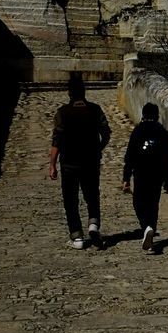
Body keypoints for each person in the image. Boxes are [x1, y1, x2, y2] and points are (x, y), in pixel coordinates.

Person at [48, 75, 111, 249]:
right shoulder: (95, 110)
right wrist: (98, 148)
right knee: (92, 194)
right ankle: (93, 224)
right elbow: (106, 133)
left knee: (70, 199)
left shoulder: (62, 113)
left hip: (69, 163)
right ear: (84, 91)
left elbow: (56, 141)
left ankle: (77, 236)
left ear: (69, 93)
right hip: (90, 161)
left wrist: (52, 164)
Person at [121, 102, 168, 252]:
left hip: (141, 173)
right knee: (153, 203)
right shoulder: (162, 132)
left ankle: (146, 226)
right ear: (157, 116)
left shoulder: (138, 131)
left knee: (138, 202)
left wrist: (126, 178)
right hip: (157, 175)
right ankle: (151, 227)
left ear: (143, 115)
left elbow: (129, 156)